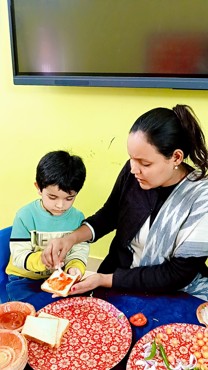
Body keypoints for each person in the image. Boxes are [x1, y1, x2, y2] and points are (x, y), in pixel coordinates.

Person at [42, 106, 208, 301]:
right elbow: (109, 215)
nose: (133, 169)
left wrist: (104, 280)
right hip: (117, 272)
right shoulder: (134, 174)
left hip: (173, 291)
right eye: (131, 158)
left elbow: (176, 274)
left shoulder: (201, 198)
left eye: (145, 164)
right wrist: (70, 239)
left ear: (176, 157)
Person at [6, 150, 89, 308]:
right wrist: (41, 260)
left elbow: (79, 250)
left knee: (78, 304)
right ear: (38, 188)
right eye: (52, 197)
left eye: (69, 198)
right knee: (33, 309)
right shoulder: (25, 216)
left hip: (58, 276)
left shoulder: (77, 218)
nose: (60, 205)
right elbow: (18, 256)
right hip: (24, 279)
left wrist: (75, 269)